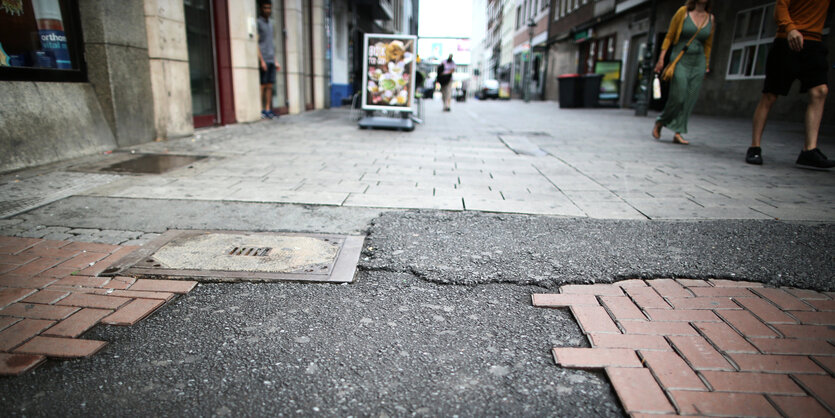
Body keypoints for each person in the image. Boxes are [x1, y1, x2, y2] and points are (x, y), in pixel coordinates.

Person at [746, 0, 833, 169]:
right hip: (787, 40)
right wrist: (790, 28)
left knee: (820, 91)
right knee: (770, 95)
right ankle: (754, 147)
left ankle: (809, 150)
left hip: (814, 43)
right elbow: (780, 6)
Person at [651, 0, 714, 145]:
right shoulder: (683, 12)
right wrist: (661, 59)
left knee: (690, 97)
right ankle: (661, 121)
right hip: (680, 59)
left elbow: (708, 44)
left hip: (698, 62)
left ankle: (678, 131)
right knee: (678, 96)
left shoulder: (711, 18)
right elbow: (670, 36)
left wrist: (706, 65)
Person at [258, 0, 281, 119]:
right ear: (261, 8)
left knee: (270, 85)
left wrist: (275, 60)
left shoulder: (271, 24)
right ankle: (261, 109)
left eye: (269, 8)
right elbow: (256, 43)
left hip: (271, 58)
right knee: (263, 84)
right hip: (264, 58)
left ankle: (268, 109)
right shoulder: (258, 23)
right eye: (265, 8)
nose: (268, 10)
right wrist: (261, 60)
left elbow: (271, 44)